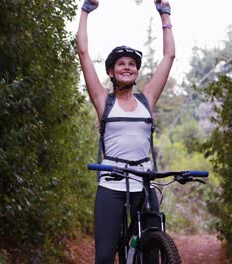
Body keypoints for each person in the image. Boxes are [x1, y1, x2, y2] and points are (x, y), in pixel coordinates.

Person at [77, 0, 175, 263]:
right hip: (111, 182)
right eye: (121, 63)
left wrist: (164, 13)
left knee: (152, 251)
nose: (127, 66)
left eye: (132, 63)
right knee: (106, 256)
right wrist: (86, 10)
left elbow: (169, 57)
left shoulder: (147, 99)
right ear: (111, 71)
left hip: (143, 180)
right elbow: (84, 53)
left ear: (136, 72)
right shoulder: (103, 100)